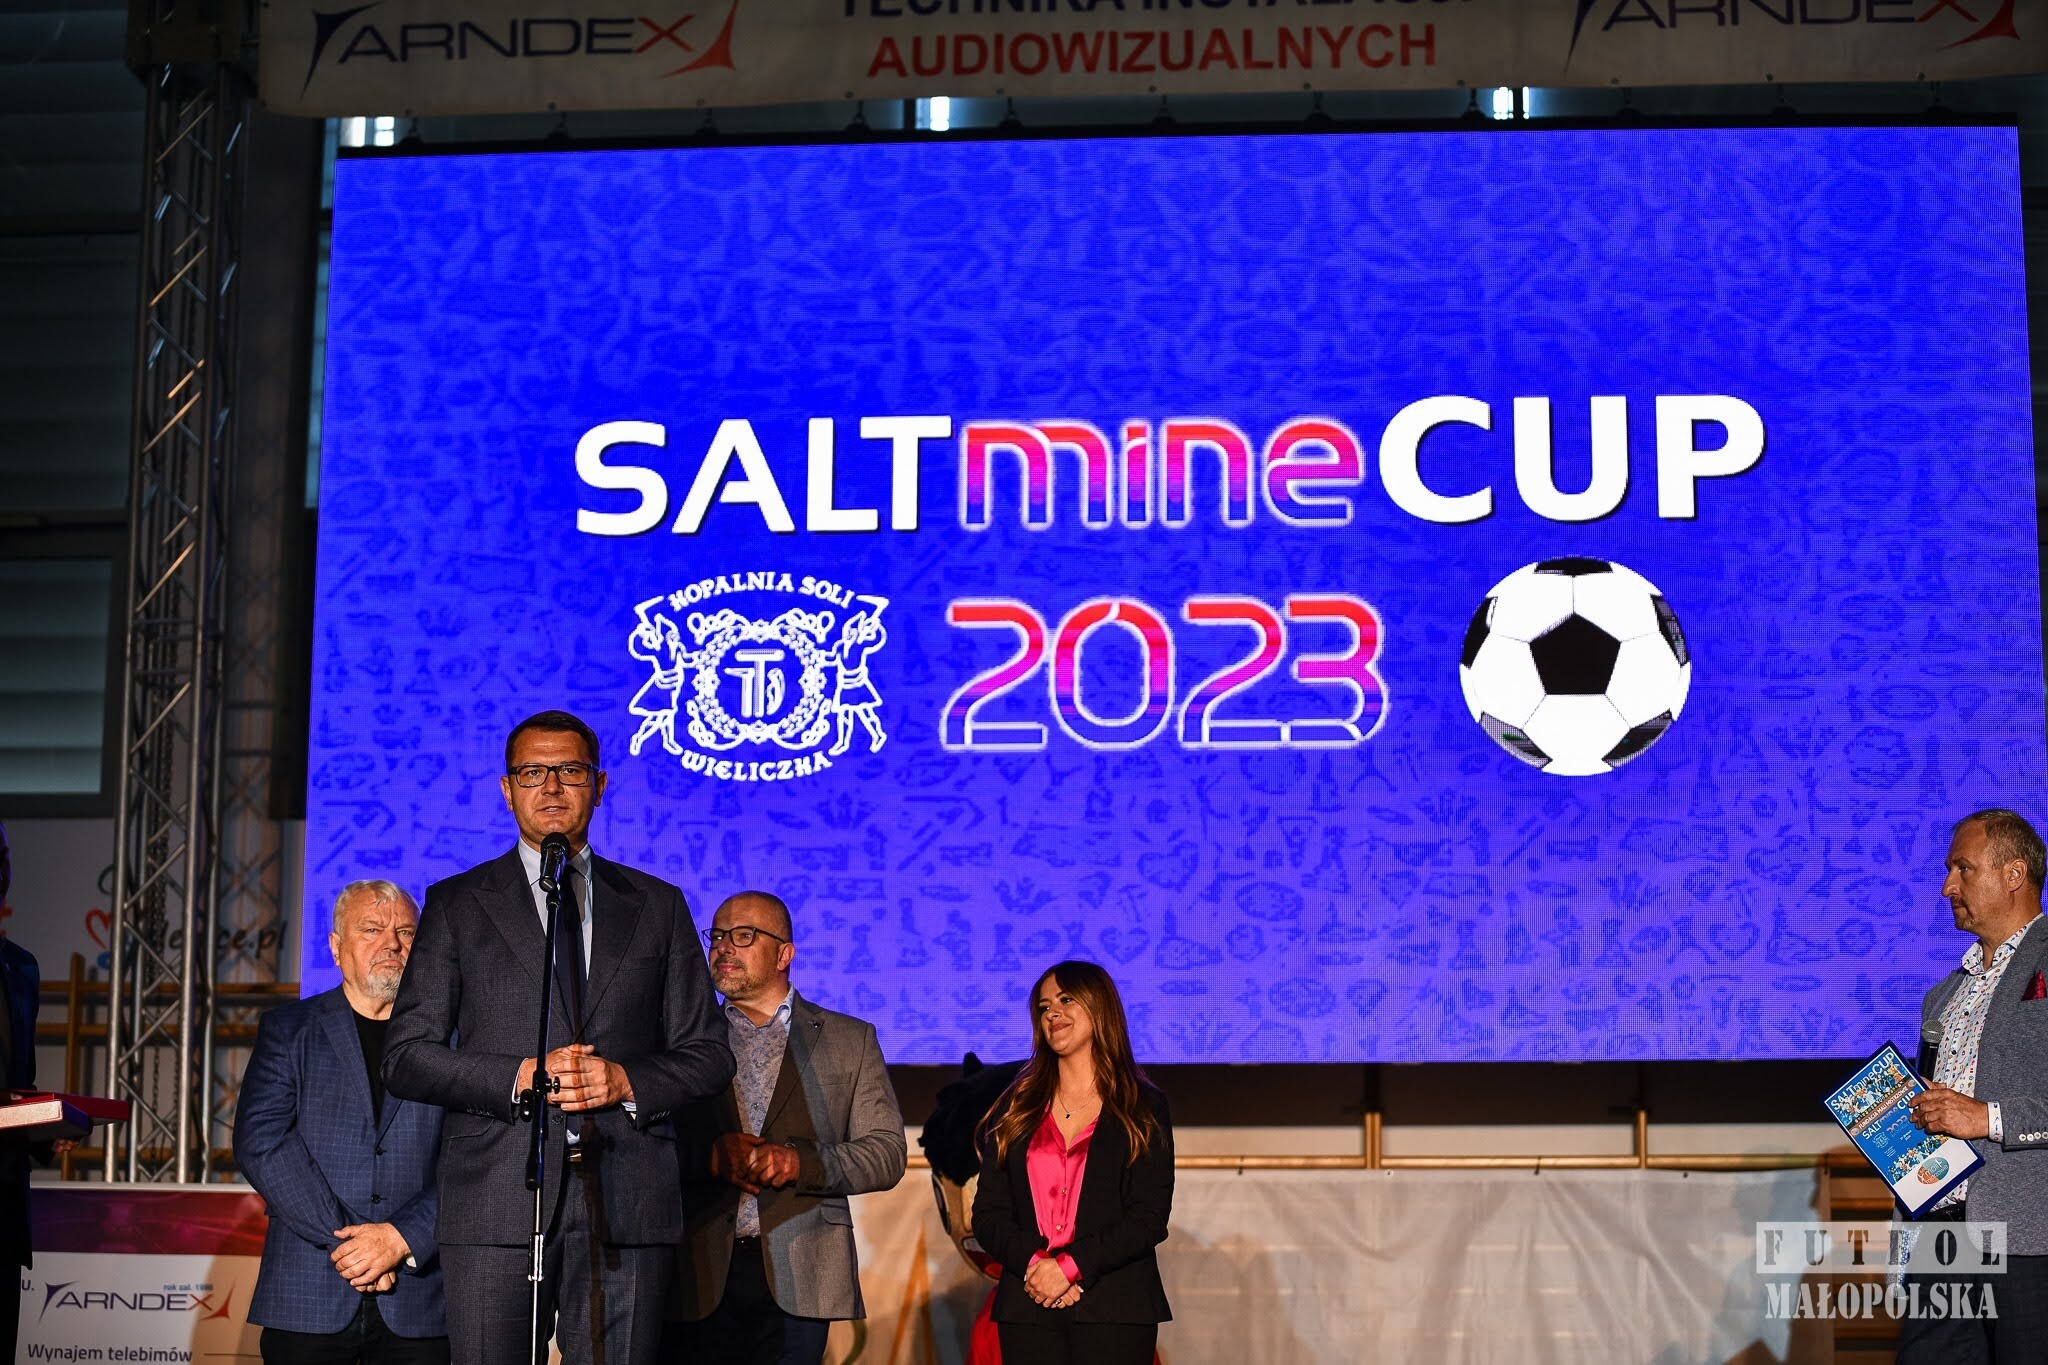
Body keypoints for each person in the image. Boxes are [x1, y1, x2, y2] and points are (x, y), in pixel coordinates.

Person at [384, 710, 734, 1365]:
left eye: (569, 770)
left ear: (598, 785)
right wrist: (518, 1075)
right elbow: (406, 1056)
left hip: (626, 1200)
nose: (550, 786)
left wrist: (626, 1080)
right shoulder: (458, 904)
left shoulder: (657, 906)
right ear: (506, 789)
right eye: (531, 773)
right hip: (495, 1196)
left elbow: (710, 1054)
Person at [665, 891, 907, 1365]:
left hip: (803, 1269)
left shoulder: (849, 1039)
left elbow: (887, 1153)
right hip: (697, 1268)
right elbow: (645, 1141)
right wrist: (707, 1158)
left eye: (743, 936)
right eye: (717, 935)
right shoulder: (681, 1037)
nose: (723, 947)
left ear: (784, 955)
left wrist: (802, 1162)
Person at [237, 881, 447, 1363]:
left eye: (406, 932)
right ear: (335, 947)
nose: (391, 944)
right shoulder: (288, 1029)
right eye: (371, 929)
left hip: (421, 1299)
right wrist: (357, 1249)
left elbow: (474, 1154)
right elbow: (261, 1142)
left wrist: (401, 1238)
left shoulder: (453, 1040)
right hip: (308, 1295)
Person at [971, 961, 1172, 1365]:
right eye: (1044, 1007)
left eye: (1066, 1000)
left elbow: (1148, 1217)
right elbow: (988, 1215)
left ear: (1100, 1007)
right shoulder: (1016, 1107)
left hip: (1114, 1306)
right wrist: (1038, 1266)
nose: (1053, 1013)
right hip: (1029, 1304)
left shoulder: (1142, 1106)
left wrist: (1069, 1267)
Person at [1903, 808, 2048, 1363]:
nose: (1948, 887)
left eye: (1963, 869)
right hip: (1940, 1237)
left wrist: (1986, 1117)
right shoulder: (1942, 995)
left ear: (2014, 874)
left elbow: (1974, 1113)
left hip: (2028, 1238)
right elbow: (1937, 1110)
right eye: (1949, 871)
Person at [0, 822, 70, 1360]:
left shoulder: (20, 966)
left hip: (5, 1201)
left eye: (3, 856)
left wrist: (46, 1130)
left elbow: (19, 1079)